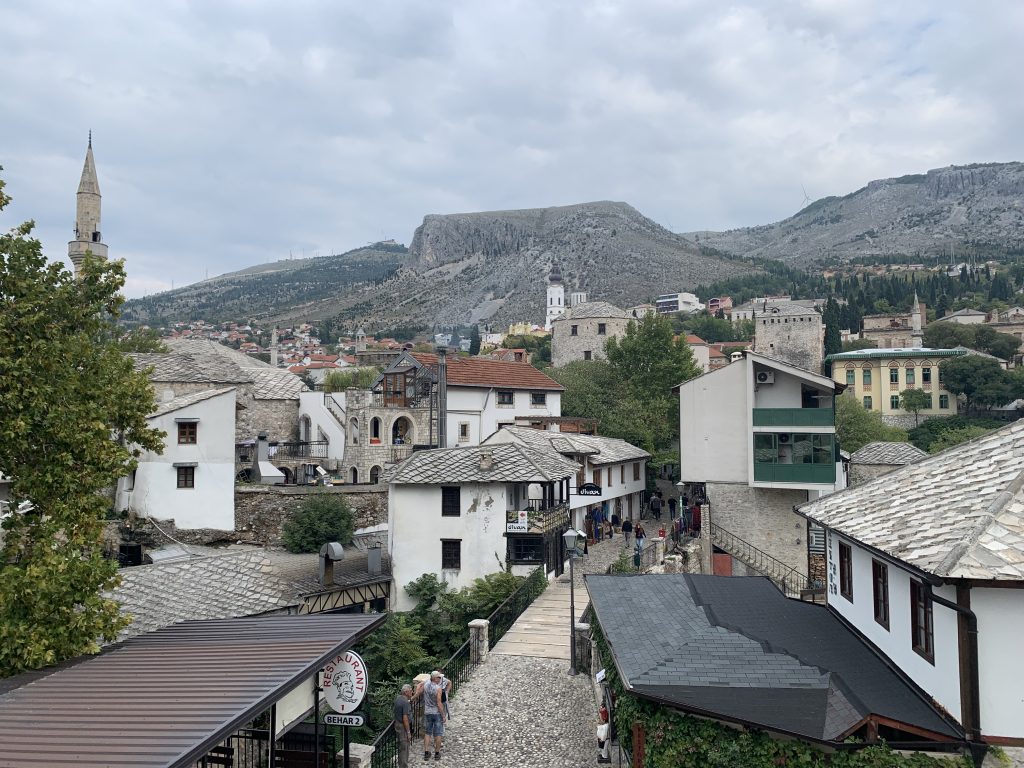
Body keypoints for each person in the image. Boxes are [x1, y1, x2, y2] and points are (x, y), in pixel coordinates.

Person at [418, 671, 446, 761]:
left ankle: (426, 753)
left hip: (427, 712)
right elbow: (439, 702)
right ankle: (437, 753)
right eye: (438, 677)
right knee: (438, 734)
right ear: (434, 678)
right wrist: (443, 715)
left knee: (428, 733)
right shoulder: (438, 688)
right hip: (436, 713)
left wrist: (415, 696)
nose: (440, 679)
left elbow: (419, 686)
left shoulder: (426, 684)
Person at [394, 684, 414, 768]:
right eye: (411, 691)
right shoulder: (405, 702)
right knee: (404, 747)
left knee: (402, 746)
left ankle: (401, 764)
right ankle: (403, 766)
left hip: (398, 724)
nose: (412, 692)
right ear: (406, 692)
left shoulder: (398, 698)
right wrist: (408, 732)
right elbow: (405, 718)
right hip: (403, 727)